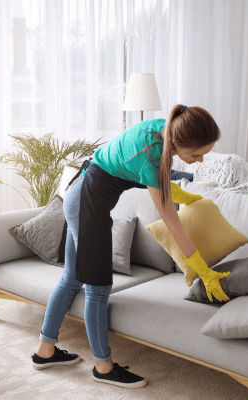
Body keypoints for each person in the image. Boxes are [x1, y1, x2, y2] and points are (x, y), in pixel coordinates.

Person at [31, 104, 230, 388]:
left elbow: (160, 183)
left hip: (80, 194)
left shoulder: (165, 129)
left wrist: (189, 199)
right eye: (196, 154)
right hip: (87, 203)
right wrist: (204, 272)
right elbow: (172, 223)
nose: (198, 161)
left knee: (72, 278)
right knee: (98, 289)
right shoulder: (150, 153)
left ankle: (45, 351)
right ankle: (103, 367)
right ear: (176, 140)